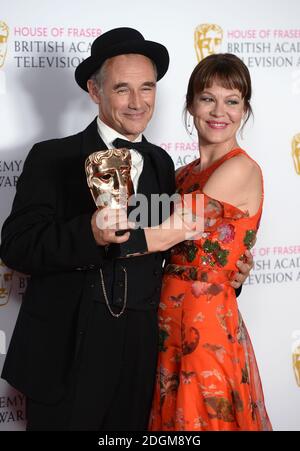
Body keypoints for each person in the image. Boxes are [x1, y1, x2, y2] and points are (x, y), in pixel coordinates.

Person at [0, 28, 252, 431]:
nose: (138, 103)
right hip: (67, 357)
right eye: (122, 89)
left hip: (141, 363)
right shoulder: (51, 157)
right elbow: (17, 246)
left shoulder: (161, 164)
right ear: (94, 91)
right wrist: (89, 233)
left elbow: (177, 254)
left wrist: (229, 274)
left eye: (147, 88)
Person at [147, 53, 272, 431]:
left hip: (207, 325)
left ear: (244, 109)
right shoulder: (181, 174)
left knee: (201, 419)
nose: (220, 111)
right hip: (167, 319)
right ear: (190, 105)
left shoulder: (239, 167)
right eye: (207, 98)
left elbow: (172, 227)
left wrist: (104, 217)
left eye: (232, 101)